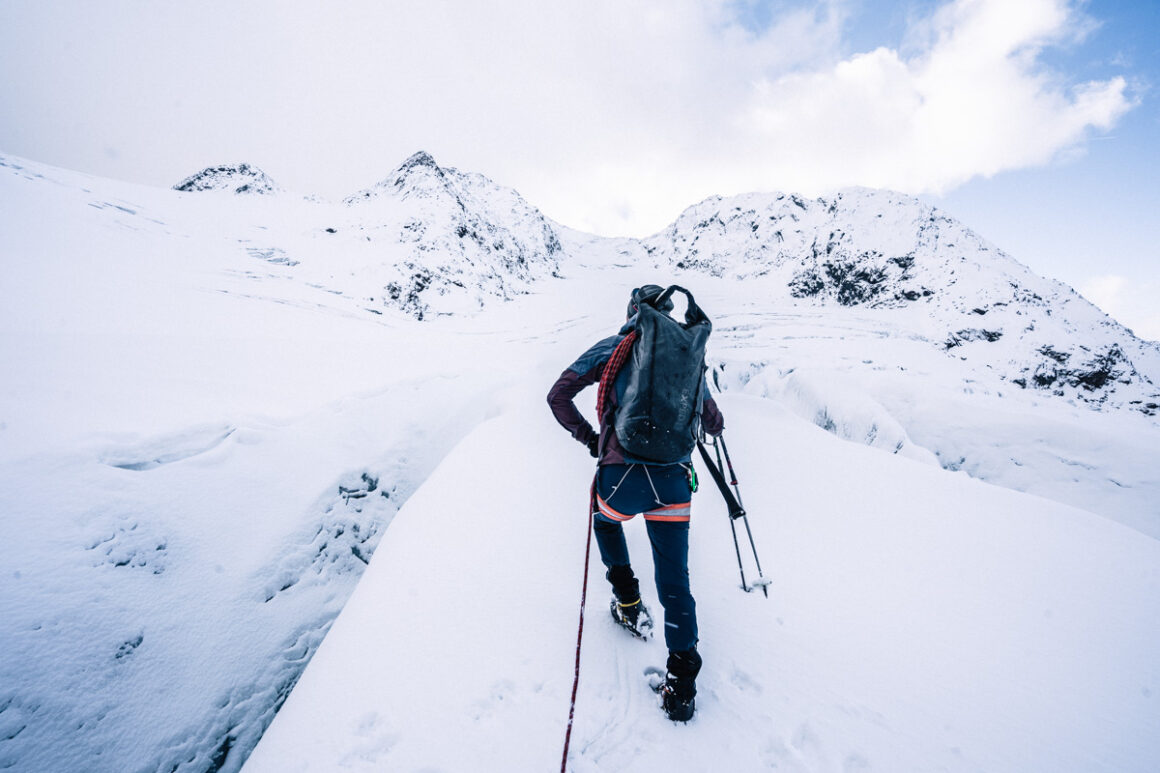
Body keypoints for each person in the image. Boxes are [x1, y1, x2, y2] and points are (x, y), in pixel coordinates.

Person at [547, 284, 724, 722]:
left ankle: (627, 603)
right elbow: (714, 423)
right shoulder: (685, 358)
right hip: (672, 484)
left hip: (621, 476)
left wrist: (592, 439)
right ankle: (681, 689)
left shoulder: (614, 347)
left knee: (606, 522)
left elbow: (558, 395)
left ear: (634, 312)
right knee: (676, 583)